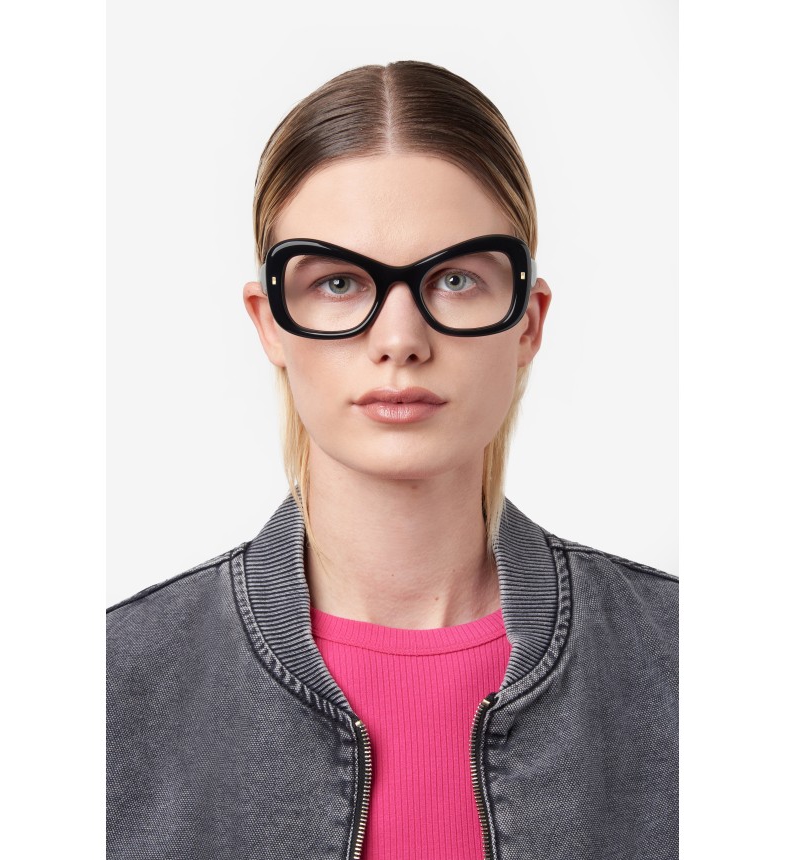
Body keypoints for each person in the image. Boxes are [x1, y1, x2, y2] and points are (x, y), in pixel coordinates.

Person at [106, 61, 678, 860]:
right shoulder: (113, 684)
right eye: (339, 282)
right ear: (269, 322)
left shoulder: (682, 662)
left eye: (454, 279)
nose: (400, 339)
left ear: (527, 322)